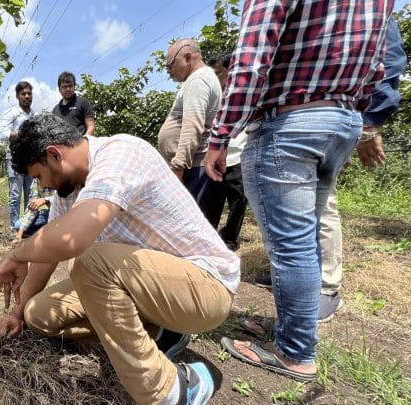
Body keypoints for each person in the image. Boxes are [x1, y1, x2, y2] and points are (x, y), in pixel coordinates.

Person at [0, 114, 240, 405]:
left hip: (204, 287)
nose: (43, 186)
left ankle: (176, 391)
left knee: (87, 260)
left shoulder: (120, 153)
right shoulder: (69, 193)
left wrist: (18, 253)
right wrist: (17, 312)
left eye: (39, 176)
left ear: (54, 154)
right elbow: (48, 256)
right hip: (152, 288)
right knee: (40, 314)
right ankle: (159, 333)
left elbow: (71, 240)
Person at [205, 0, 394, 381]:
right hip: (340, 120)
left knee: (291, 246)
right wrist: (357, 116)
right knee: (304, 241)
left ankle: (294, 352)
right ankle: (292, 331)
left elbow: (253, 59)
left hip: (289, 122)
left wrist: (221, 134)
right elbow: (378, 64)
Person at [253, 16, 407, 323]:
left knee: (320, 206)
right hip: (291, 118)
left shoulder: (368, 9)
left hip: (329, 116)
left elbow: (389, 59)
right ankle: (296, 276)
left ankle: (326, 288)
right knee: (289, 206)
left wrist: (370, 122)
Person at [157, 39, 222, 214]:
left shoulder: (198, 80)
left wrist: (178, 167)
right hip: (192, 166)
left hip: (193, 167)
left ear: (187, 57)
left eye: (170, 65)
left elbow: (192, 126)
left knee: (190, 223)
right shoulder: (200, 79)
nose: (169, 72)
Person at [203, 53, 248, 251]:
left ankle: (229, 239)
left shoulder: (241, 92)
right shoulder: (214, 95)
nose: (215, 77)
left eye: (217, 72)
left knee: (238, 200)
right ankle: (209, 236)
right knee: (213, 201)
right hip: (215, 156)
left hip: (237, 155)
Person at [1, 81, 35, 236]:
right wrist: (23, 133)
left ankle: (26, 228)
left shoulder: (34, 114)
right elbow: (4, 134)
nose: (27, 96)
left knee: (30, 196)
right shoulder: (12, 113)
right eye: (23, 94)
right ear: (18, 96)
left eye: (29, 93)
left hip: (31, 161)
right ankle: (15, 229)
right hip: (15, 159)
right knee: (15, 196)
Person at [11, 178, 53, 244]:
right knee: (18, 225)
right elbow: (32, 208)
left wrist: (45, 200)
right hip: (50, 214)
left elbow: (63, 201)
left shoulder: (59, 176)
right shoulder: (36, 181)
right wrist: (19, 236)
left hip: (65, 215)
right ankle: (44, 232)